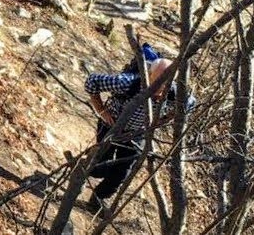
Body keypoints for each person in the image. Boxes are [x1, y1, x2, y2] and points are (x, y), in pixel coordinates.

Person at [82, 57, 195, 215]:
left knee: (122, 172)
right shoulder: (128, 83)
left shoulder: (175, 93)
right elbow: (92, 81)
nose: (160, 87)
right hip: (111, 126)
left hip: (137, 134)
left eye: (166, 83)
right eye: (158, 80)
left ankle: (97, 200)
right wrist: (101, 110)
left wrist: (163, 120)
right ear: (149, 74)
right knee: (100, 167)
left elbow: (190, 104)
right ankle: (81, 170)